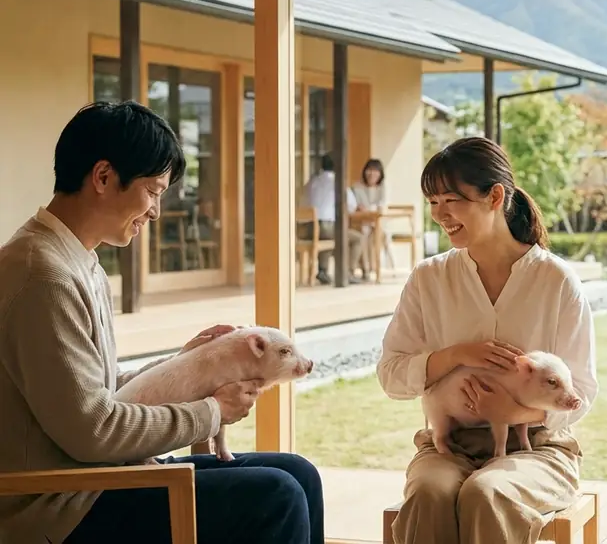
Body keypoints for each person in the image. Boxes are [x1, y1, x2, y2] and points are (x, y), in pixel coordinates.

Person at [0, 102, 324, 544]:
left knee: (297, 472)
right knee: (277, 494)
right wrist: (211, 413)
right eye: (153, 191)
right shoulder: (43, 275)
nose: (155, 211)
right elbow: (93, 432)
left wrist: (186, 365)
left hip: (91, 481)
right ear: (103, 177)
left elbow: (93, 391)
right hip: (58, 508)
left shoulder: (77, 263)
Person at [376, 136, 598, 544]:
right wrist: (455, 355)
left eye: (451, 200)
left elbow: (580, 392)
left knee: (487, 492)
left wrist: (512, 413)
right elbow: (391, 376)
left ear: (494, 196)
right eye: (433, 203)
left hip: (539, 450)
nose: (440, 215)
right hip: (449, 445)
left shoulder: (555, 280)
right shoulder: (429, 278)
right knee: (430, 492)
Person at [300, 152, 366, 284]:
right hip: (325, 227)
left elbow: (303, 201)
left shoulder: (312, 182)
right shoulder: (337, 182)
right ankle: (348, 272)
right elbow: (351, 206)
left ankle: (323, 270)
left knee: (331, 235)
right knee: (357, 238)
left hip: (305, 228)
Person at [352, 158, 392, 274]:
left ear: (380, 174)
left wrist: (369, 210)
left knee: (374, 234)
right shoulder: (357, 187)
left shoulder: (383, 187)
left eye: (375, 171)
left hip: (379, 224)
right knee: (363, 234)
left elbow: (382, 205)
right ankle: (366, 269)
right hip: (361, 223)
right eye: (369, 170)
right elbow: (357, 206)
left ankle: (372, 268)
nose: (372, 174)